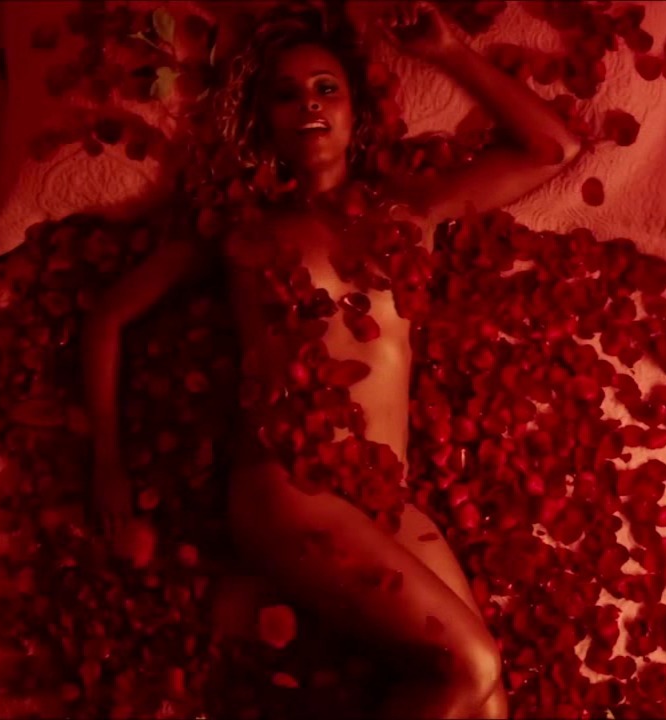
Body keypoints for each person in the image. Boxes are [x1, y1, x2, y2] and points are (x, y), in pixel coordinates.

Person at [81, 3, 582, 717]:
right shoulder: (240, 230)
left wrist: (448, 50)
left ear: (356, 110)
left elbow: (553, 148)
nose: (308, 105)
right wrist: (108, 465)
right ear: (264, 122)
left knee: (488, 701)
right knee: (472, 666)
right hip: (287, 489)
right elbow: (109, 317)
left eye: (326, 88)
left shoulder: (412, 214)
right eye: (285, 95)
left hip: (383, 497)